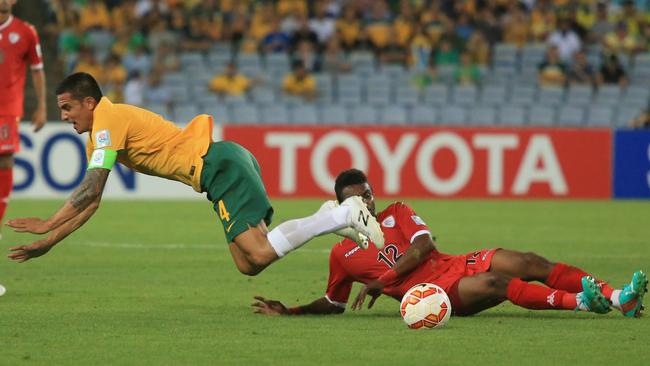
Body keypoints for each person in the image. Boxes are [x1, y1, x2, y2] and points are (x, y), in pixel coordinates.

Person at [6, 73, 384, 276]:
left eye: (68, 107)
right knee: (248, 265)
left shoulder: (107, 118)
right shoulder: (99, 137)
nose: (65, 116)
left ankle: (341, 213)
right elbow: (93, 202)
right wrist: (50, 241)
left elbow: (90, 188)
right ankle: (327, 216)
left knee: (258, 252)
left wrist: (47, 224)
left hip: (218, 165)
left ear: (89, 102)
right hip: (220, 169)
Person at [252, 169, 647, 318]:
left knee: (527, 260)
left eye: (369, 193)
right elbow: (335, 302)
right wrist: (292, 311)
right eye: (360, 197)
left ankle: (616, 298)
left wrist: (381, 280)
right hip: (433, 293)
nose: (369, 201)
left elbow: (423, 248)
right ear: (344, 206)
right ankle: (582, 302)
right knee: (495, 285)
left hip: (452, 263)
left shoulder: (397, 212)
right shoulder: (341, 254)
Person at [0, 0, 47, 232]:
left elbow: (37, 70)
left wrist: (42, 106)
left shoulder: (26, 31)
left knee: (5, 160)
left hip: (7, 109)